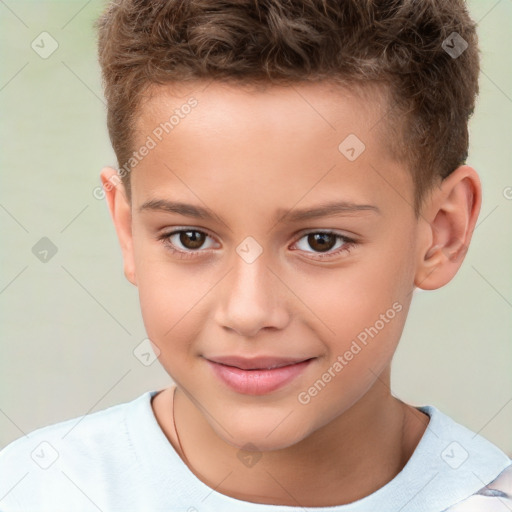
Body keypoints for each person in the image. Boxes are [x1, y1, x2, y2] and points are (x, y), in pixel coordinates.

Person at [1, 1, 510, 510]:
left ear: (443, 233)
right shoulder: (33, 491)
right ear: (128, 231)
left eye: (321, 241)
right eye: (190, 238)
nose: (247, 312)